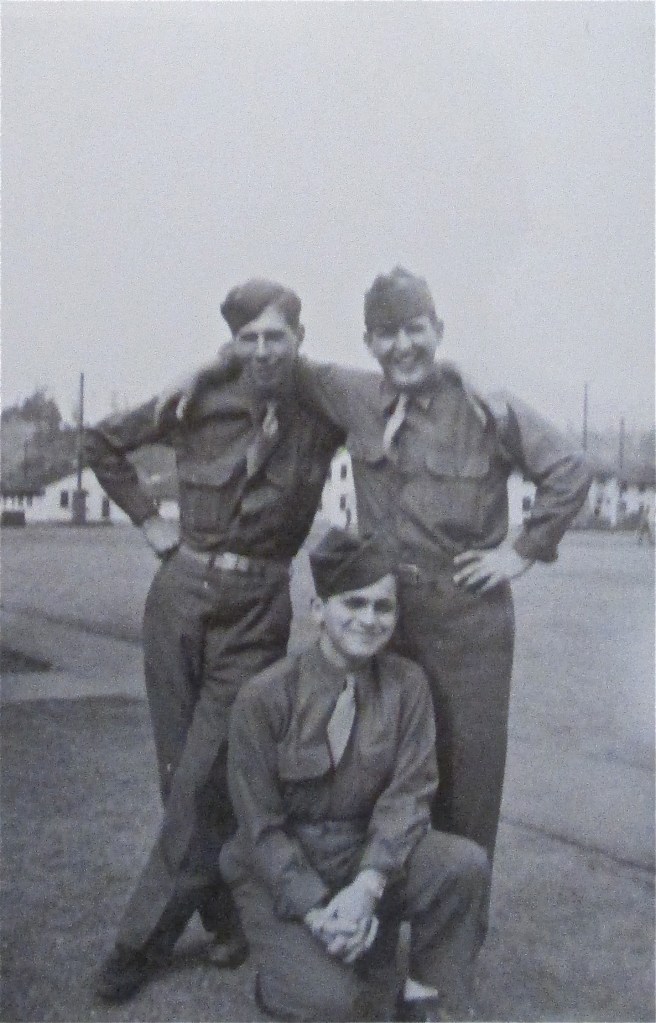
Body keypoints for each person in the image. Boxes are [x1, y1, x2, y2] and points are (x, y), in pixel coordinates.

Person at [185, 267, 592, 913]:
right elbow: (277, 357)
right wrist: (203, 369)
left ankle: (449, 942)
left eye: (415, 329)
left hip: (468, 623)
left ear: (438, 331)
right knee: (377, 770)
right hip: (384, 619)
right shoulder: (353, 394)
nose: (402, 345)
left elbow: (569, 471)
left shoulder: (486, 405)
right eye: (386, 333)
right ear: (369, 342)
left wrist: (520, 553)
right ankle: (371, 912)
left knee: (468, 782)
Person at [85, 278, 344, 1002]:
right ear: (232, 343)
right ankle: (226, 914)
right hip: (178, 595)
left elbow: (389, 403)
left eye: (276, 336)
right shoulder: (195, 398)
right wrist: (147, 519)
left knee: (203, 778)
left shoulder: (322, 408)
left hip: (256, 611)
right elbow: (101, 442)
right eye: (247, 338)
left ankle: (136, 943)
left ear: (299, 339)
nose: (263, 351)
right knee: (182, 775)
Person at [221, 527, 490, 1022]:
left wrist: (367, 886)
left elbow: (409, 795)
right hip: (285, 865)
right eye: (353, 603)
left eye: (383, 607)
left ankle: (424, 993)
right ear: (318, 609)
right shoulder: (264, 697)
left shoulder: (408, 685)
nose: (369, 620)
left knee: (463, 864)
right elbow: (260, 830)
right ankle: (285, 976)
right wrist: (316, 912)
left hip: (363, 856)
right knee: (335, 1005)